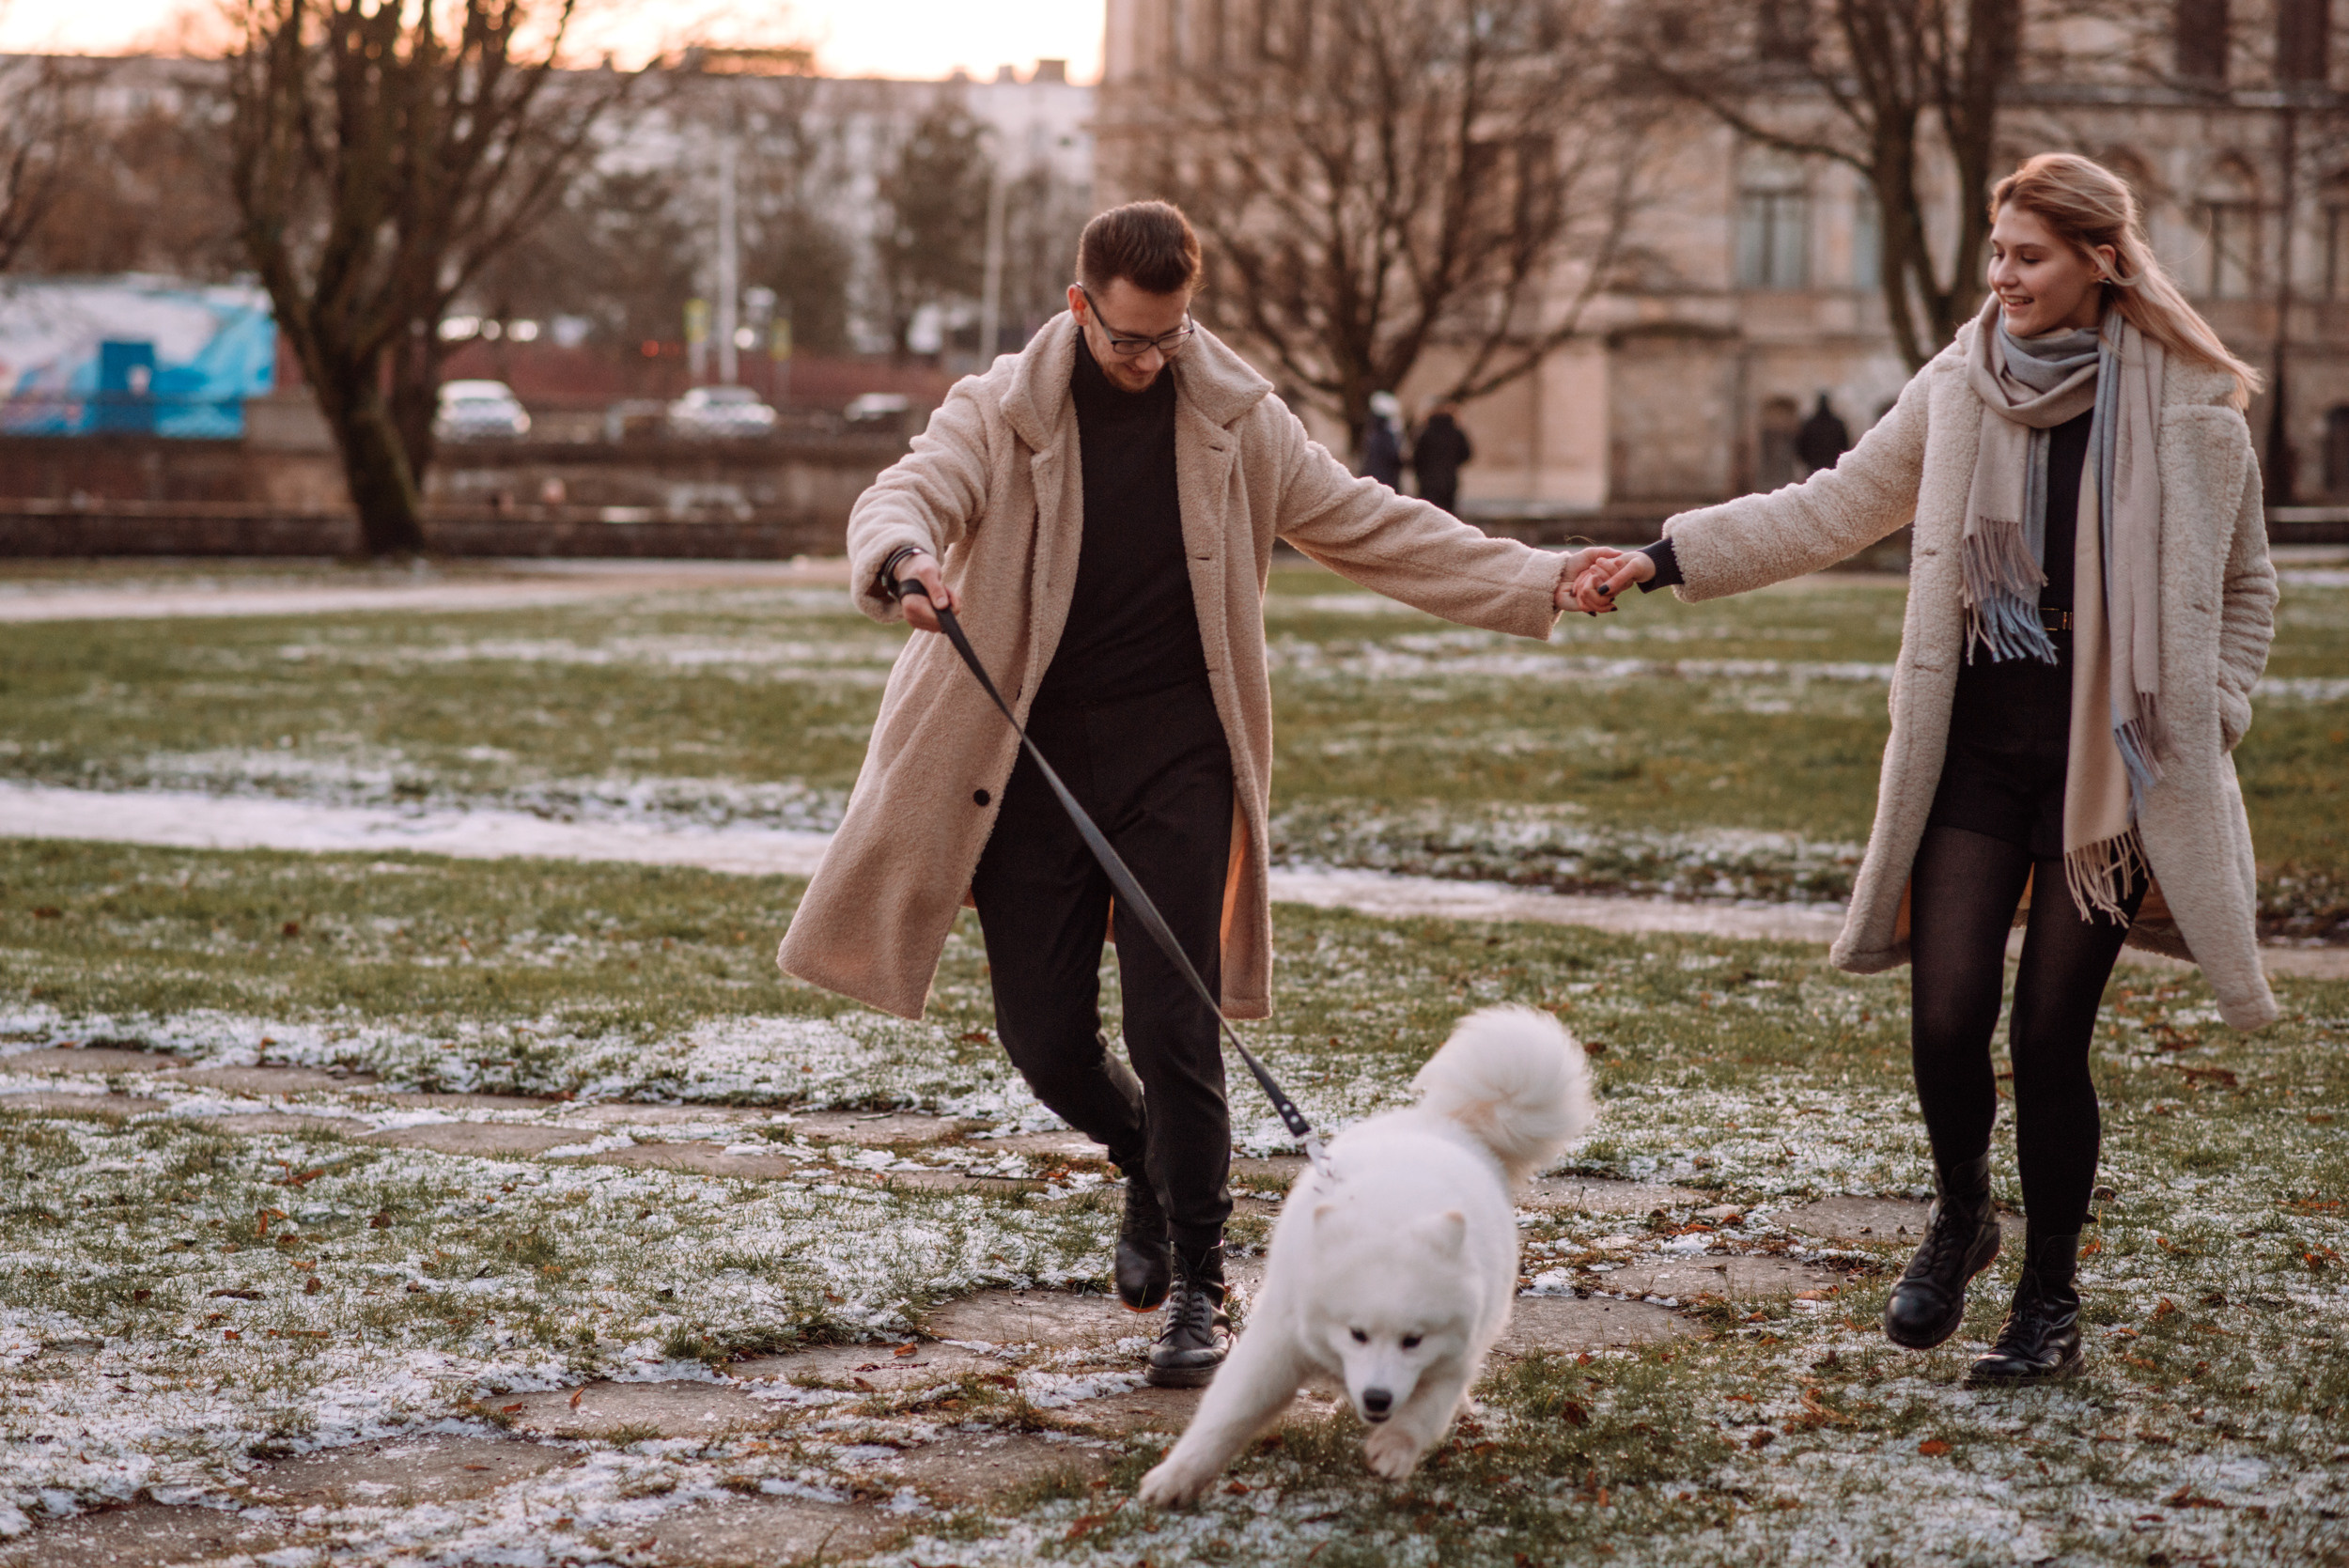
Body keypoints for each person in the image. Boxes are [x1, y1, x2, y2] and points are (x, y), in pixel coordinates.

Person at [779, 200, 1608, 1389]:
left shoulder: (1236, 419)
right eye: (1127, 340)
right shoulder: (1000, 409)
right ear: (1080, 308)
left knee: (1179, 1026)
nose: (1149, 359)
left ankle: (1201, 1291)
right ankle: (1144, 1165)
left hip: (1179, 755)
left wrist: (1536, 576)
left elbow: (1376, 527)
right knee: (1046, 1039)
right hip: (1026, 765)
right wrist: (902, 556)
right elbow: (910, 489)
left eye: (1168, 335)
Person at [1569, 154, 2277, 1385]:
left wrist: (2207, 714)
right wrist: (1661, 557)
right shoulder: (1963, 387)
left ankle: (2047, 1299)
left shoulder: (2194, 408)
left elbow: (2246, 588)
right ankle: (1963, 1211)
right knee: (1948, 1016)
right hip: (1979, 760)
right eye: (1996, 253)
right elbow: (1828, 507)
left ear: (2102, 261)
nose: (2003, 277)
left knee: (2050, 1040)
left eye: (2029, 257)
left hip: (2108, 779)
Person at [1412, 402, 1475, 515]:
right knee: (1448, 516)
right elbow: (1467, 454)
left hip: (1428, 482)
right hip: (1449, 481)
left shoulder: (1425, 433)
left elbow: (1417, 458)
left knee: (1429, 515)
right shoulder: (1457, 433)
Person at [1794, 392, 1851, 474]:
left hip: (1814, 464)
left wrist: (1806, 460)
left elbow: (1801, 444)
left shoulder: (1810, 424)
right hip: (1833, 463)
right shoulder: (1837, 424)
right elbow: (1845, 444)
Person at [1361, 390, 1405, 489]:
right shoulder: (1385, 434)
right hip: (1386, 479)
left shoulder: (1372, 430)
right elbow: (1393, 456)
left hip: (1377, 477)